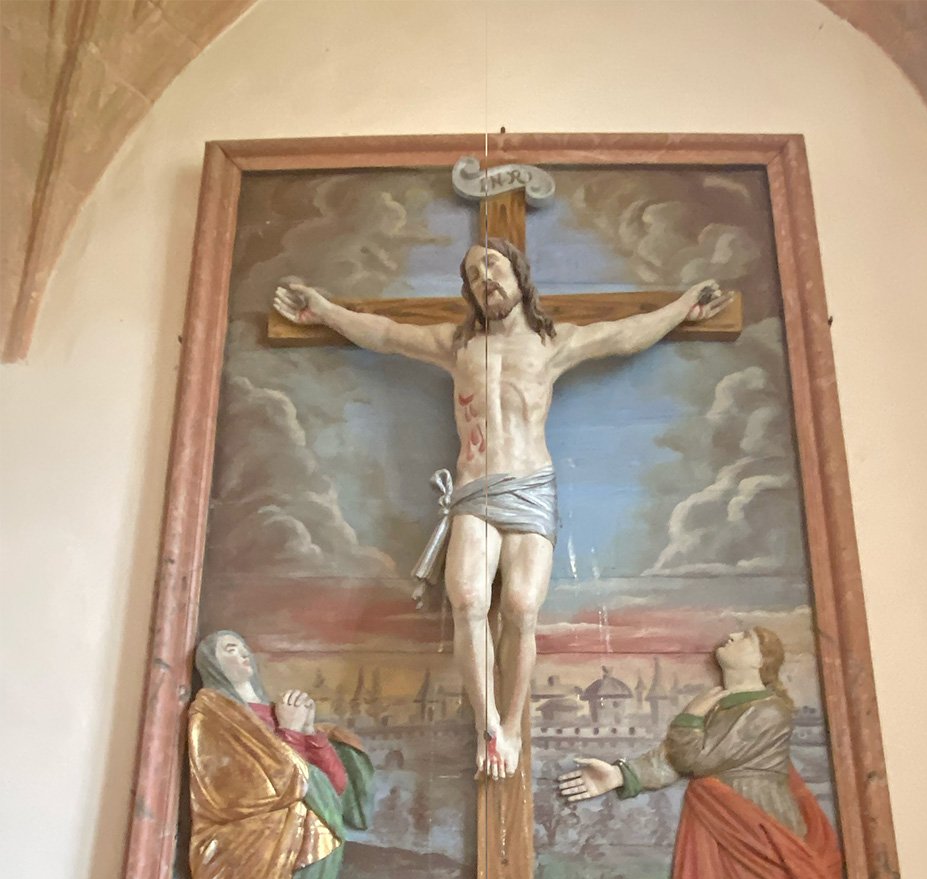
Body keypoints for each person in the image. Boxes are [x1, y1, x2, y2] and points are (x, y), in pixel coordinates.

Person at [273, 240, 731, 779]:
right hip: (475, 489)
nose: (483, 276)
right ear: (468, 291)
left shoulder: (551, 343)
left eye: (492, 264)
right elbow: (386, 334)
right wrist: (323, 310)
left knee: (520, 606)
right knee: (465, 596)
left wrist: (683, 308)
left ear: (519, 275)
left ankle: (512, 724)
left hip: (532, 486)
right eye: (472, 272)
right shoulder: (457, 345)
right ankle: (487, 723)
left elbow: (625, 334)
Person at [557, 627, 842, 879]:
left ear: (760, 659)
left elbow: (698, 758)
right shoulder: (716, 703)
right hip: (719, 831)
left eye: (747, 637)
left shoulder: (770, 710)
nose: (733, 634)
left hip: (760, 833)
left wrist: (689, 718)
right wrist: (618, 775)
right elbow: (673, 761)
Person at [182, 630, 374, 879]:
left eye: (243, 648)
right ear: (210, 664)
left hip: (304, 861)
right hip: (246, 861)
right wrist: (289, 731)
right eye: (228, 649)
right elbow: (259, 787)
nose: (241, 655)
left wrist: (307, 731)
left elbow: (333, 787)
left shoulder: (276, 713)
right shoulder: (213, 713)